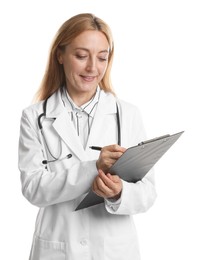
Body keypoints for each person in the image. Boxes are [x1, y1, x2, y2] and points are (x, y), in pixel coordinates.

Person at [18, 13, 157, 260]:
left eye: (102, 57)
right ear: (60, 55)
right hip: (58, 247)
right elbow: (33, 189)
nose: (93, 67)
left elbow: (147, 194)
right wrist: (94, 168)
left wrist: (118, 193)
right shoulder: (35, 116)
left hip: (114, 250)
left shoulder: (127, 114)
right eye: (81, 56)